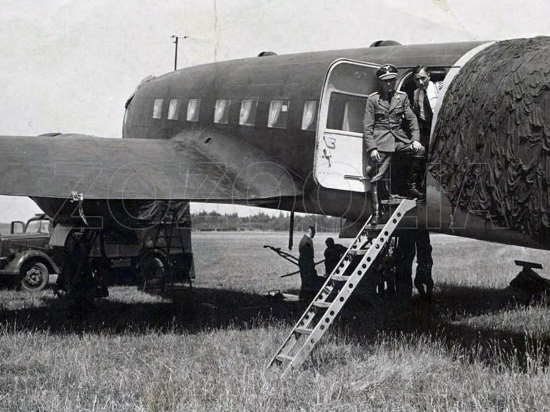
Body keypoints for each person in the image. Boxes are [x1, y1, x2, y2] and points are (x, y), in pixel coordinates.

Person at [363, 64, 426, 224]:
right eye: (386, 81)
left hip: (399, 139)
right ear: (381, 83)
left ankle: (410, 186)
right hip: (381, 142)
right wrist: (372, 148)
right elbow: (368, 126)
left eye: (392, 80)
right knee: (377, 177)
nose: (389, 84)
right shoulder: (373, 99)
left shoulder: (402, 97)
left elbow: (411, 119)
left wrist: (415, 140)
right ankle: (377, 213)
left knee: (419, 151)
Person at [298, 225, 318, 301]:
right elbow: (308, 254)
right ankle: (305, 298)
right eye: (314, 233)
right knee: (307, 281)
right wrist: (311, 264)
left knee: (305, 281)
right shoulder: (307, 241)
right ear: (310, 232)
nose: (314, 235)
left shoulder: (304, 239)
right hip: (306, 263)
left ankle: (303, 297)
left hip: (304, 262)